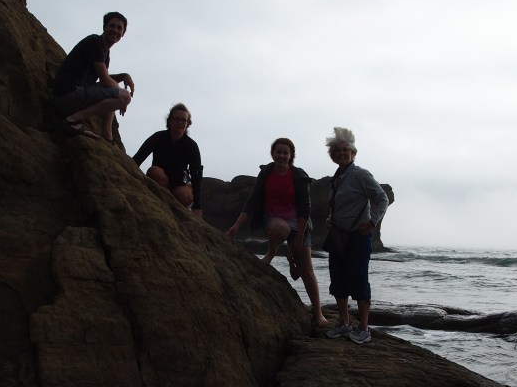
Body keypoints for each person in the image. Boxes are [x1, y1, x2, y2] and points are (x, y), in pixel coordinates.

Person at [226, 138, 329, 327]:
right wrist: (236, 226)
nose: (281, 155)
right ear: (272, 153)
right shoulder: (266, 173)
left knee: (305, 271)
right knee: (280, 228)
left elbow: (306, 208)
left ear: (291, 156)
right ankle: (272, 251)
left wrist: (299, 238)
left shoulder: (299, 176)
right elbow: (252, 201)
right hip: (274, 220)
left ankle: (318, 312)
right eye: (278, 152)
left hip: (299, 224)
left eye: (285, 153)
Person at [323, 127, 389, 344]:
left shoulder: (361, 174)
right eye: (337, 151)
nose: (341, 153)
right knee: (338, 280)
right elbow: (340, 205)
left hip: (358, 237)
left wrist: (372, 222)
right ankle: (344, 324)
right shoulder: (337, 177)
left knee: (359, 280)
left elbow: (382, 199)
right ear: (332, 155)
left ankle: (364, 328)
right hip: (338, 236)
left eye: (345, 150)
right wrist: (331, 218)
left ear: (352, 152)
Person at [49, 11, 134, 143]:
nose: (115, 30)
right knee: (123, 95)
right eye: (112, 26)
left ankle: (107, 136)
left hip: (75, 95)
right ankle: (73, 120)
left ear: (122, 34)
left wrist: (123, 76)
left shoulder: (105, 53)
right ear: (104, 27)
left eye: (119, 28)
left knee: (116, 92)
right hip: (66, 96)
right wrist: (123, 97)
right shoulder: (94, 42)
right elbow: (105, 80)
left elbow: (105, 79)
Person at [133, 103, 204, 217]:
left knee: (185, 195)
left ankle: (179, 210)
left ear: (188, 124)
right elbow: (138, 158)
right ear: (169, 121)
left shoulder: (191, 145)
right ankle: (164, 204)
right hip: (160, 179)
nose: (180, 123)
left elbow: (196, 174)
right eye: (176, 119)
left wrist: (197, 207)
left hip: (180, 182)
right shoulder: (158, 137)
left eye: (183, 120)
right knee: (154, 171)